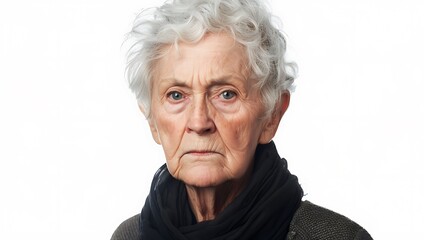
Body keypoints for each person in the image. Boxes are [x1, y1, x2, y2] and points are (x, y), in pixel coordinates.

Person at [112, 0, 372, 239]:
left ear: (271, 116)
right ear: (152, 121)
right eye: (176, 95)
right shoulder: (130, 236)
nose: (199, 122)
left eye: (226, 94)